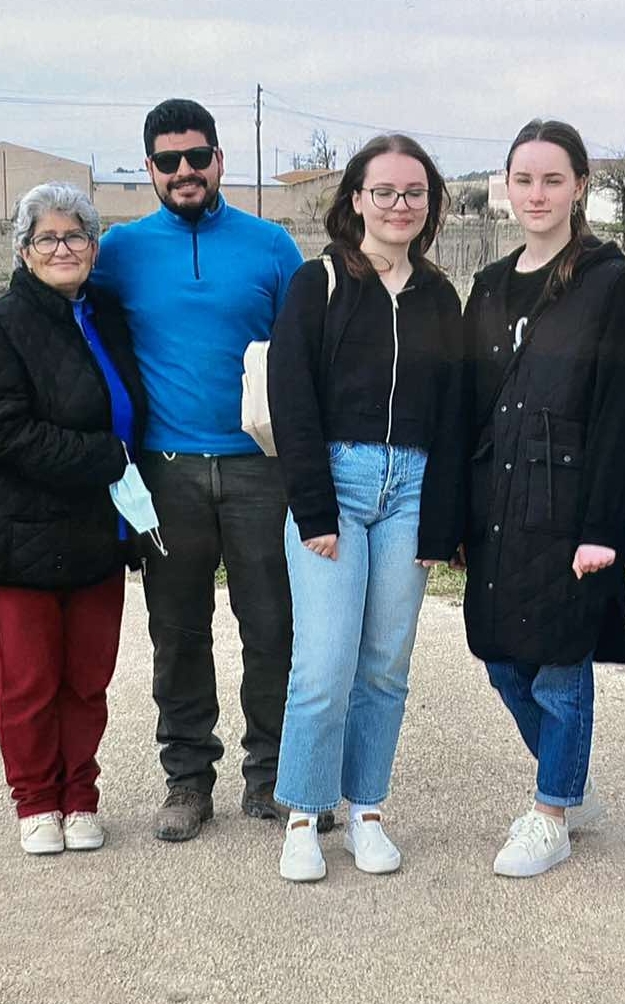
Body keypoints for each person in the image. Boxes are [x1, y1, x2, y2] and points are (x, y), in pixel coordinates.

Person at [0, 99, 308, 842]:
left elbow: (306, 349)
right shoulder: (118, 250)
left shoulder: (272, 248)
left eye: (198, 157)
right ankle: (187, 779)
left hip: (258, 471)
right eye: (169, 160)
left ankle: (272, 775)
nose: (185, 171)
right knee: (177, 633)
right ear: (149, 167)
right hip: (162, 476)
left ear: (218, 160)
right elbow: (56, 295)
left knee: (272, 627)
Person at [266, 135, 465, 882]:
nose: (399, 205)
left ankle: (366, 811)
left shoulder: (439, 296)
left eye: (414, 192)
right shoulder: (317, 282)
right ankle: (303, 816)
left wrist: (442, 520)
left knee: (384, 666)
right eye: (384, 191)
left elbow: (455, 415)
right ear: (356, 199)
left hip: (412, 489)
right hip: (337, 487)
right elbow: (291, 396)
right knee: (324, 664)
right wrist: (314, 510)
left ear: (429, 204)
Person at [461, 119, 625, 878]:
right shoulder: (488, 284)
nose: (536, 194)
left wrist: (601, 527)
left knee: (560, 666)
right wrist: (456, 516)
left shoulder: (607, 279)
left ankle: (551, 815)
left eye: (552, 179)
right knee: (501, 658)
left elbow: (617, 409)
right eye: (523, 179)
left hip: (567, 503)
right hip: (496, 498)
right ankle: (569, 782)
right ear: (507, 187)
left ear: (579, 187)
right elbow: (468, 407)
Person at [0, 182, 150, 855]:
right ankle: (36, 801)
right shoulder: (0, 326)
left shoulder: (107, 315)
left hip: (96, 530)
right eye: (47, 238)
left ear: (94, 247)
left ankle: (80, 795)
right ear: (23, 251)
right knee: (28, 682)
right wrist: (103, 456)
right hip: (18, 535)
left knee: (87, 680)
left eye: (75, 236)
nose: (63, 248)